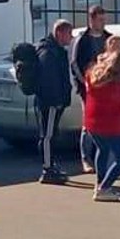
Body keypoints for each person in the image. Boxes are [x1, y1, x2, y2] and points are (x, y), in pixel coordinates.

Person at [83, 51, 120, 202]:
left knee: (102, 150)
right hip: (112, 123)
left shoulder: (93, 76)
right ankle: (104, 187)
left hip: (93, 121)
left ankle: (100, 182)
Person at [70, 5, 112, 174]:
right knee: (88, 125)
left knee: (105, 125)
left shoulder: (109, 38)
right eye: (100, 20)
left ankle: (103, 157)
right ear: (92, 19)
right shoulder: (83, 40)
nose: (103, 23)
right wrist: (85, 84)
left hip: (107, 89)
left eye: (104, 20)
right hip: (88, 89)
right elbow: (75, 64)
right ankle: (86, 158)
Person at [35, 20, 74, 185]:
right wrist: (56, 100)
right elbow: (49, 80)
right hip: (49, 102)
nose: (70, 38)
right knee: (48, 135)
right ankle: (47, 168)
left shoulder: (56, 51)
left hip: (55, 101)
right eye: (68, 34)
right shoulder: (49, 53)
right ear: (59, 33)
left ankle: (52, 165)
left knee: (52, 134)